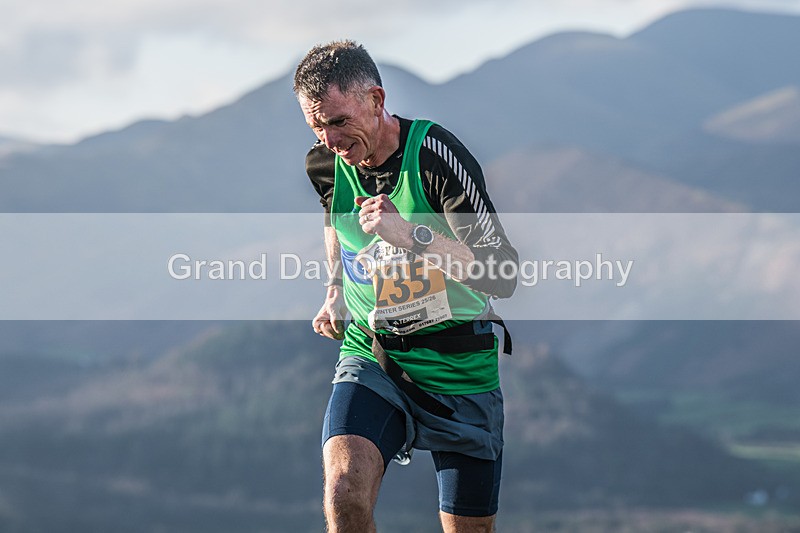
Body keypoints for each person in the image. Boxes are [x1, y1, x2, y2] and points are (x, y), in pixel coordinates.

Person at [293, 40, 518, 533]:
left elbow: (502, 274)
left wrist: (412, 236)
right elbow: (335, 222)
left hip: (457, 366)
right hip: (374, 355)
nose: (328, 139)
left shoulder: (436, 157)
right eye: (316, 125)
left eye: (337, 121)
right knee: (343, 494)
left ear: (376, 100)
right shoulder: (326, 164)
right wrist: (334, 289)